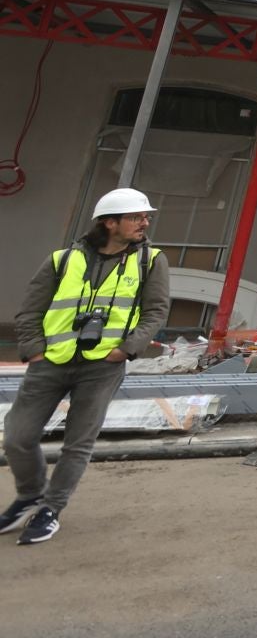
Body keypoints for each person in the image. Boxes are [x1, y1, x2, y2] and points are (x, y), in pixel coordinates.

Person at [5, 188, 171, 546]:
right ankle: (30, 493)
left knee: (78, 442)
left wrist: (127, 349)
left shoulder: (150, 261)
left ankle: (51, 508)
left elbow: (156, 310)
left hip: (103, 365)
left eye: (146, 217)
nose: (145, 223)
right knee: (17, 436)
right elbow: (31, 308)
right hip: (51, 361)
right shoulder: (62, 260)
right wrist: (34, 350)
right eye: (136, 217)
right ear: (110, 223)